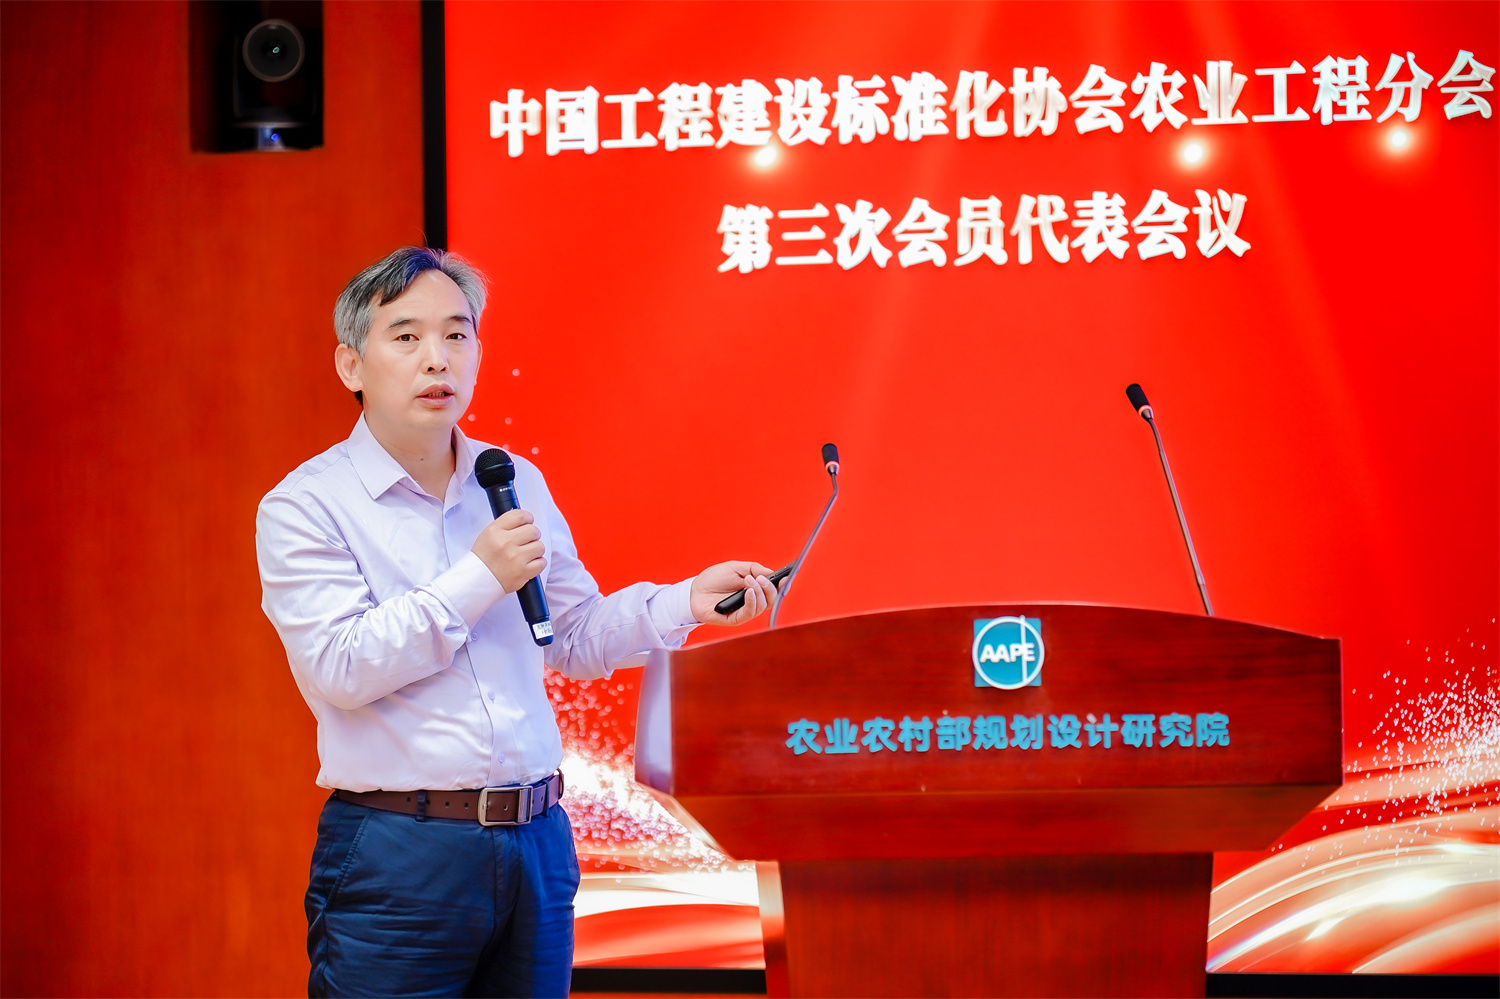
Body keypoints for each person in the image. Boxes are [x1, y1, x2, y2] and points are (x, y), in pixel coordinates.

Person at [256, 247, 777, 998]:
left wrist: (685, 601)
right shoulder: (305, 506)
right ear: (351, 364)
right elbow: (341, 667)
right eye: (406, 336)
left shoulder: (508, 477)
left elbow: (573, 635)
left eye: (456, 334)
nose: (437, 358)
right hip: (402, 850)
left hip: (537, 841)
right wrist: (480, 577)